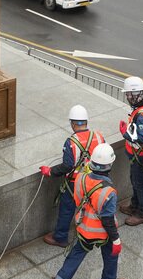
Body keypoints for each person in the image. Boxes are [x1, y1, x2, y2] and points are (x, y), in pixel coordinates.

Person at [48, 143, 125, 279]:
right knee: (110, 253)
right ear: (110, 165)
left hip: (83, 227)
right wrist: (116, 240)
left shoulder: (81, 178)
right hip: (102, 232)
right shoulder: (109, 192)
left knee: (76, 253)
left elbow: (78, 200)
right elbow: (108, 220)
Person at [40, 105, 105, 247]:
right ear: (86, 121)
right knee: (91, 207)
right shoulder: (99, 136)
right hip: (95, 180)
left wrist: (50, 171)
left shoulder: (71, 142)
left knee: (67, 209)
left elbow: (67, 165)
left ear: (73, 123)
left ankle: (60, 237)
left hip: (75, 183)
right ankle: (90, 233)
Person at [116, 77, 143, 226]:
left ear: (135, 94)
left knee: (139, 184)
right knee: (135, 181)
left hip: (140, 156)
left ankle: (142, 213)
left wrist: (125, 132)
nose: (127, 97)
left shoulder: (141, 115)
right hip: (138, 155)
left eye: (128, 94)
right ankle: (134, 205)